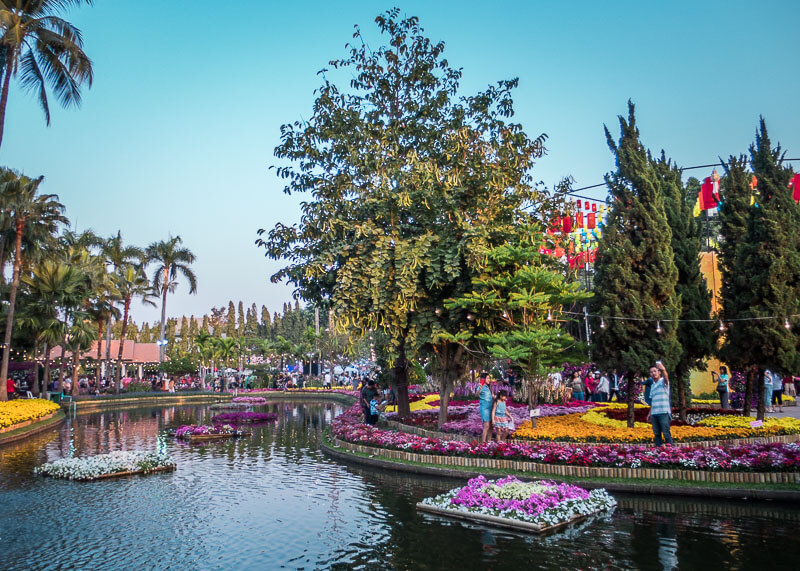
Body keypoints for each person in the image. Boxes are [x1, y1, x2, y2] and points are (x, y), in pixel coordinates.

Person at [647, 362, 673, 446]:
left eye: (655, 371)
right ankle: (659, 452)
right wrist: (649, 414)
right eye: (651, 372)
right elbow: (652, 401)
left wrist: (663, 369)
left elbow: (666, 378)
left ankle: (671, 452)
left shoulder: (663, 382)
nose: (653, 373)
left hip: (663, 412)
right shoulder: (652, 386)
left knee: (666, 433)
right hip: (654, 413)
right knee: (657, 434)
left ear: (659, 372)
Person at [477, 372, 494, 443]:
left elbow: (493, 396)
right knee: (486, 426)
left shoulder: (489, 387)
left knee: (491, 427)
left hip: (491, 408)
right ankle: (483, 443)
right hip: (485, 408)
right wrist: (480, 388)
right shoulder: (481, 386)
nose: (489, 379)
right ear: (483, 379)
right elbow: (476, 394)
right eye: (487, 378)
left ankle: (489, 441)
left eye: (489, 378)